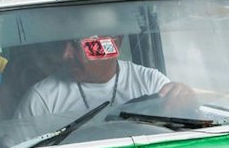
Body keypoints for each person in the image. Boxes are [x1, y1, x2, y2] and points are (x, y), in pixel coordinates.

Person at [13, 34, 193, 119]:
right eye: (63, 44)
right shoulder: (42, 98)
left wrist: (185, 101)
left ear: (114, 43)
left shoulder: (151, 83)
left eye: (77, 44)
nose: (65, 55)